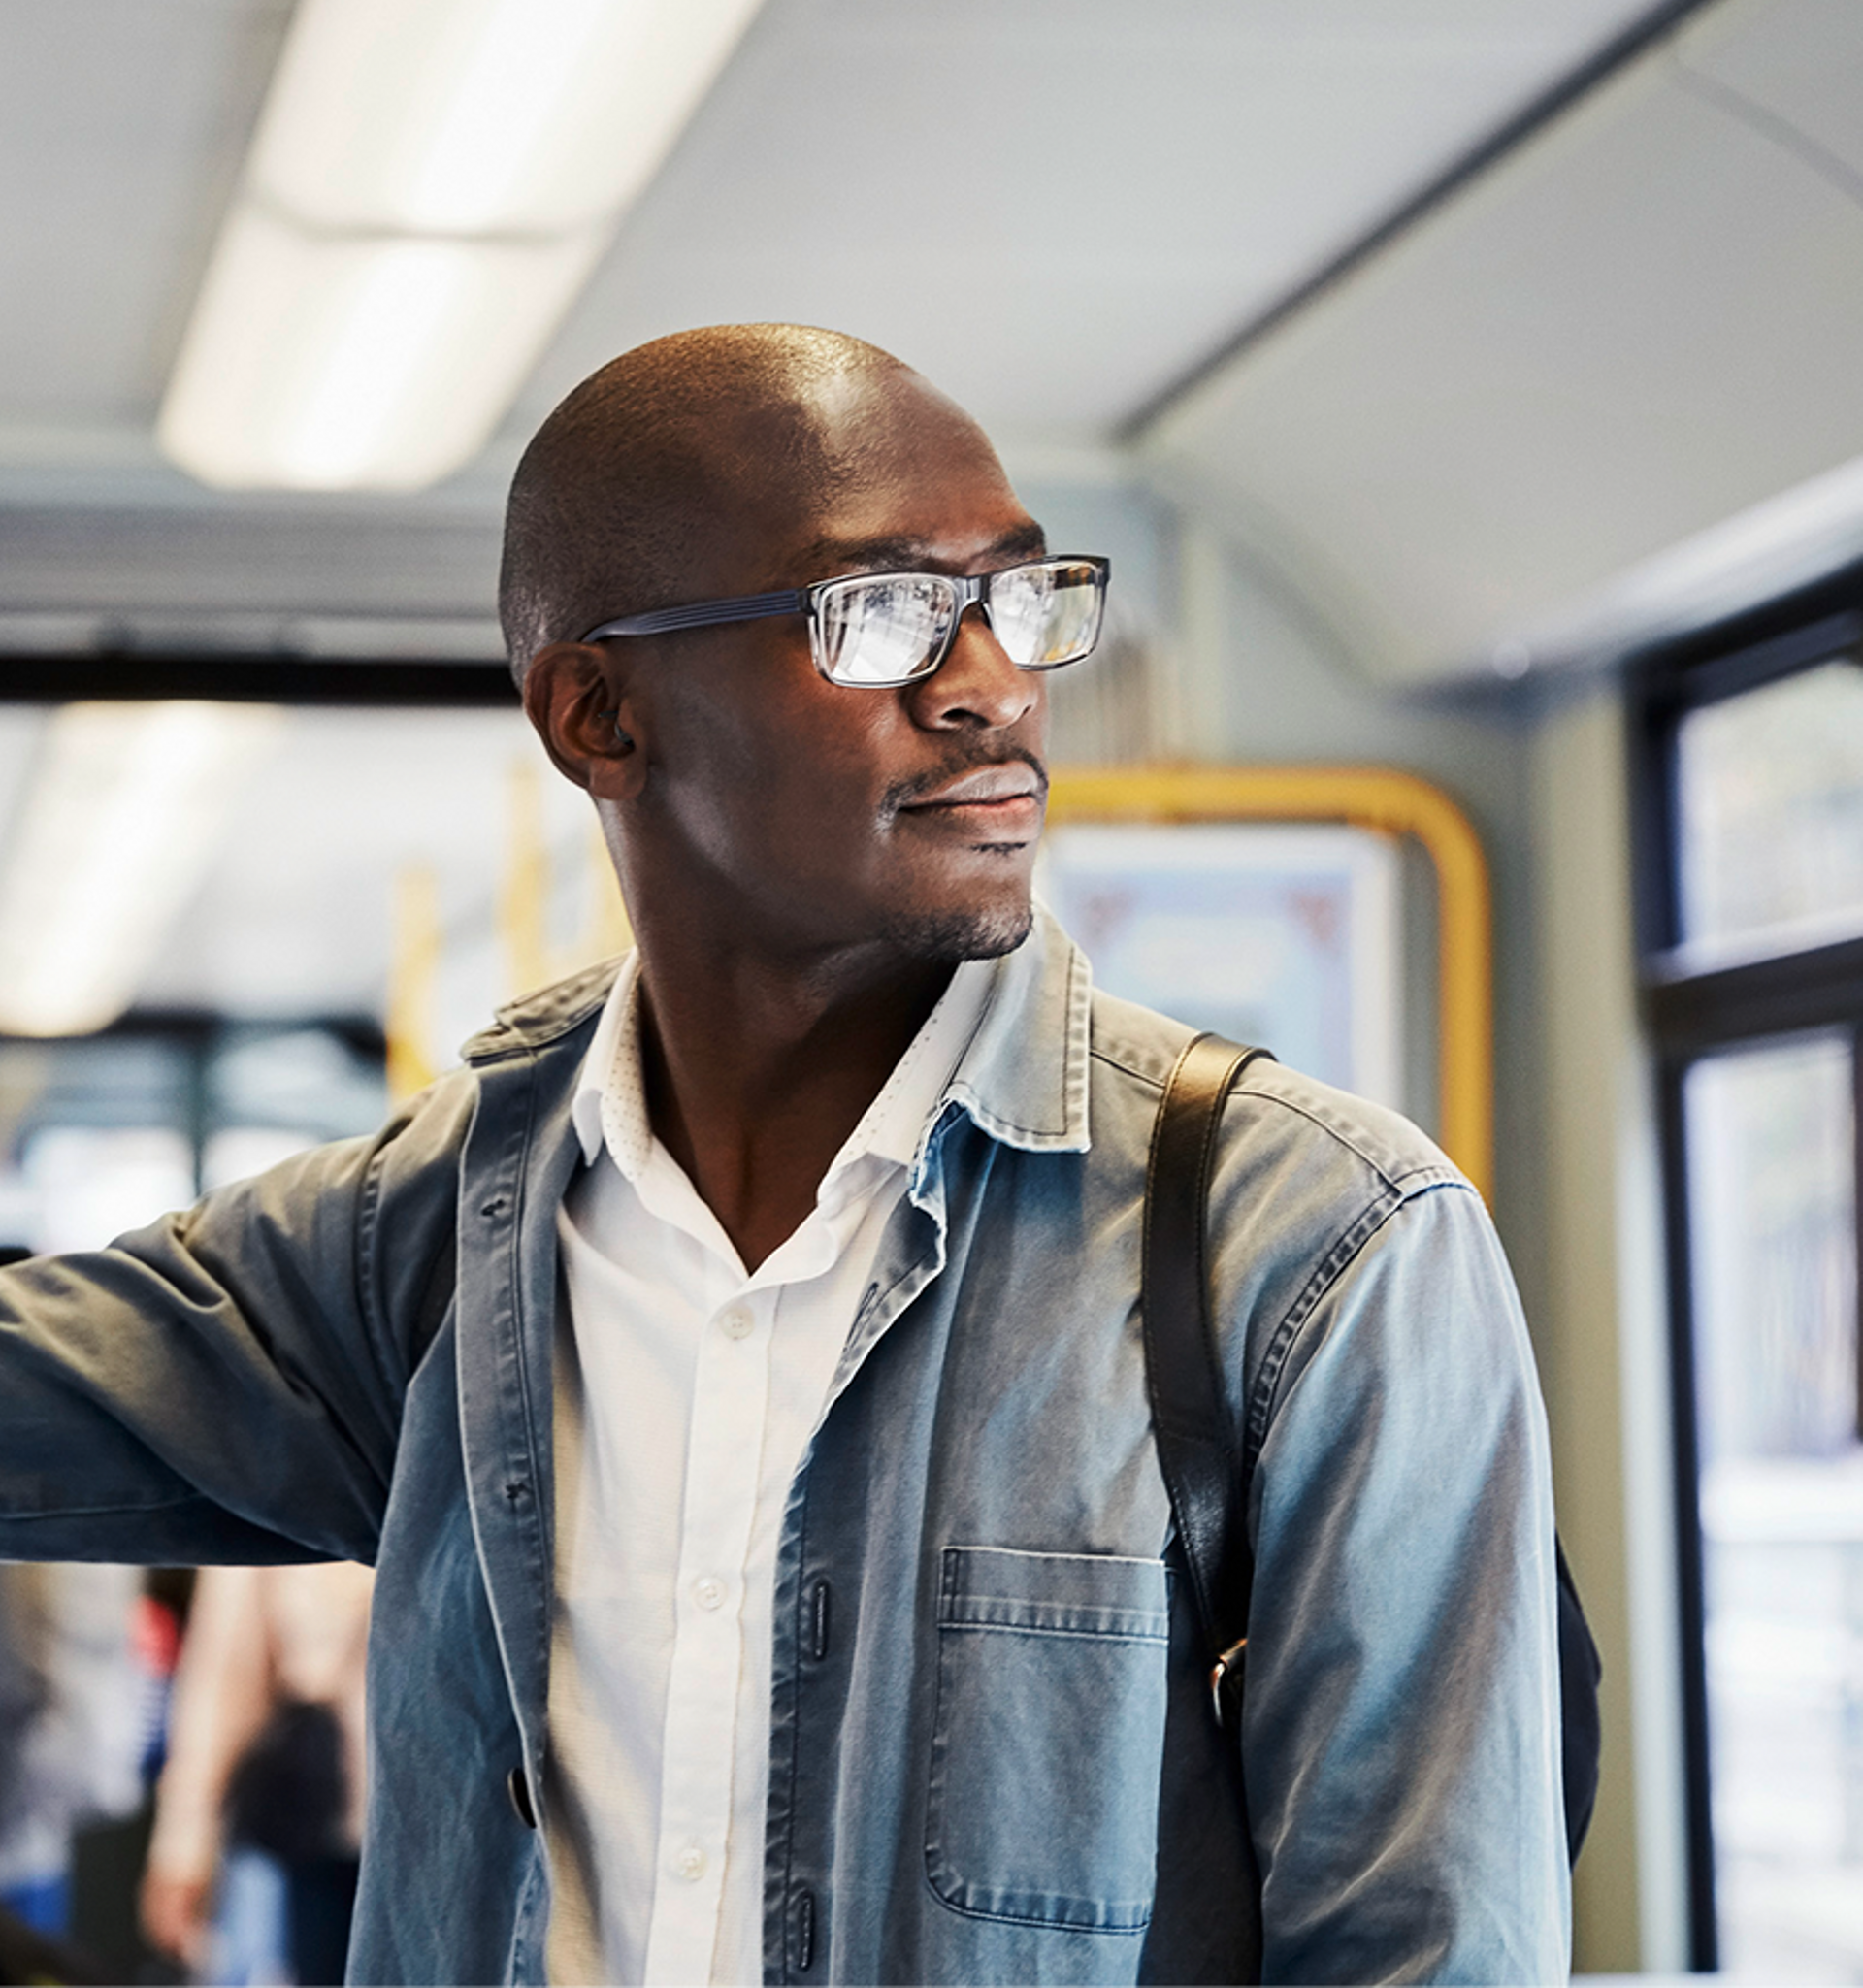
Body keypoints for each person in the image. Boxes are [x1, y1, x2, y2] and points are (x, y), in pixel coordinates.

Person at [0, 323, 1568, 1985]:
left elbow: (1429, 1954)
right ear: (598, 715)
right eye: (881, 611)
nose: (992, 682)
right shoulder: (434, 1240)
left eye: (1024, 598)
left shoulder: (1315, 1251)